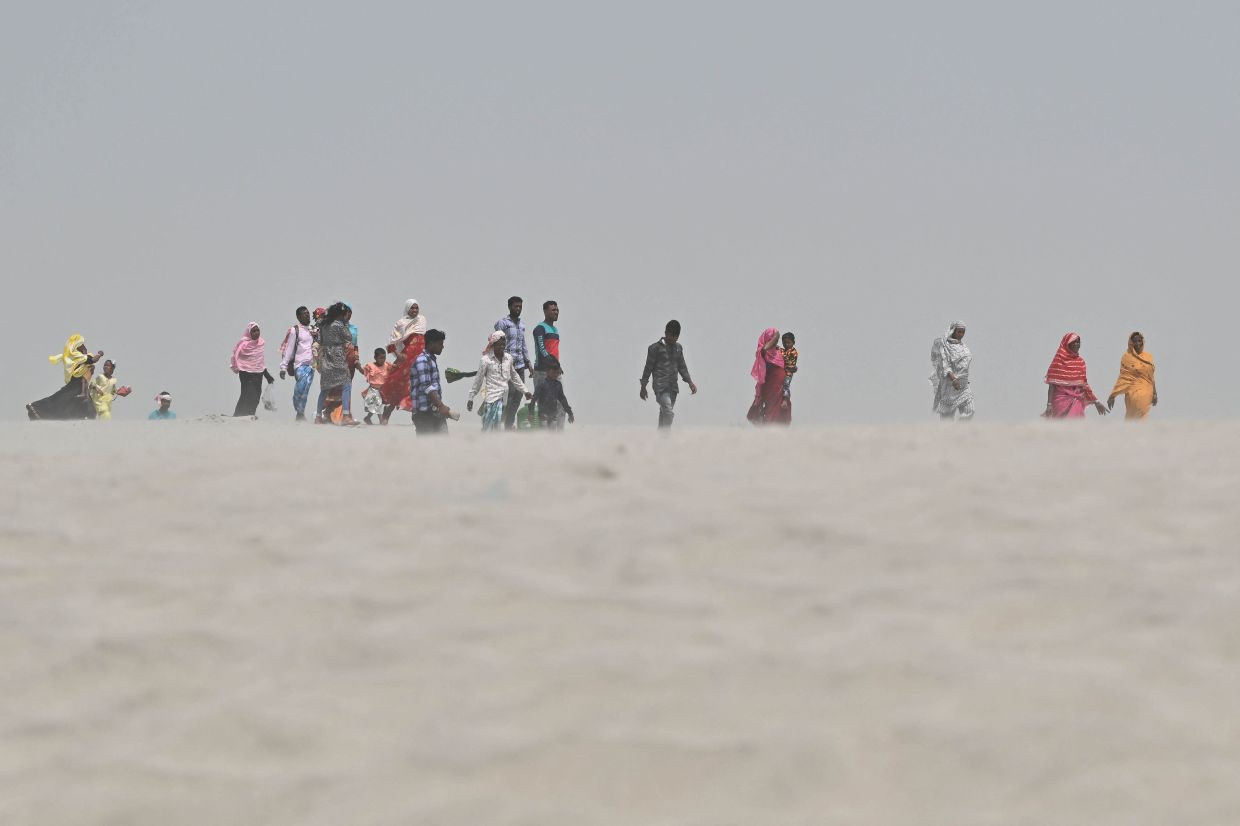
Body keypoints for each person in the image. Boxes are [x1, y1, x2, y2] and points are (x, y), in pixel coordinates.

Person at [27, 335, 102, 420]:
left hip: (79, 385)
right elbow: (93, 360)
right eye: (82, 345)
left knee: (69, 401)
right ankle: (35, 408)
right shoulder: (78, 356)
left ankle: (83, 418)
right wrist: (99, 354)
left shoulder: (77, 357)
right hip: (76, 384)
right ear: (77, 346)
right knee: (58, 399)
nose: (84, 347)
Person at [468, 331, 532, 431]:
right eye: (499, 344)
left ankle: (493, 441)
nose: (502, 346)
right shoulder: (485, 360)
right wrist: (471, 397)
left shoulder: (508, 358)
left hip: (504, 399)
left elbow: (514, 376)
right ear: (493, 345)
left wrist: (525, 391)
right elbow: (478, 380)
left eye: (504, 344)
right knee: (491, 424)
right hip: (491, 398)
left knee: (495, 424)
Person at [640, 319, 698, 428]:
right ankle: (665, 436)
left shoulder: (678, 348)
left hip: (673, 388)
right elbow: (648, 368)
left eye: (677, 337)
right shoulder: (654, 349)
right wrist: (643, 386)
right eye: (673, 336)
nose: (675, 339)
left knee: (664, 415)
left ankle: (662, 440)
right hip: (660, 387)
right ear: (667, 333)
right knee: (668, 413)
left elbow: (682, 367)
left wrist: (690, 382)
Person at [382, 299, 427, 422]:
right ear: (407, 309)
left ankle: (418, 418)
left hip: (421, 357)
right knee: (400, 386)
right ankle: (388, 411)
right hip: (407, 358)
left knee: (420, 386)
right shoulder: (401, 323)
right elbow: (391, 342)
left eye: (416, 308)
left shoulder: (422, 320)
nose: (415, 310)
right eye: (412, 308)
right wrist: (397, 354)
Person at [1044, 332, 1108, 418]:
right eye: (1074, 342)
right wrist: (1049, 405)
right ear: (1067, 344)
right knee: (1060, 428)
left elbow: (1084, 385)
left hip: (1076, 401)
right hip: (1059, 401)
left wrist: (1096, 402)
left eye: (1078, 342)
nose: (1077, 344)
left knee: (1075, 426)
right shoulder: (1058, 361)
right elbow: (1052, 385)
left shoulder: (1080, 362)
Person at [317, 302, 359, 425]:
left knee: (325, 388)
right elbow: (349, 337)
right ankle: (346, 415)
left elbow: (320, 340)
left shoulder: (323, 325)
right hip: (337, 356)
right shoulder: (339, 325)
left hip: (325, 357)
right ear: (341, 314)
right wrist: (345, 324)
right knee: (346, 384)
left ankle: (318, 416)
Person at [494, 296, 532, 430]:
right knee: (508, 395)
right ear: (509, 307)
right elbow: (496, 342)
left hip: (520, 365)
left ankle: (509, 424)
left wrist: (528, 362)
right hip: (507, 364)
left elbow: (523, 345)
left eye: (520, 306)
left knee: (519, 394)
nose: (518, 309)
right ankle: (498, 423)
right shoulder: (503, 323)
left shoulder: (522, 325)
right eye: (516, 306)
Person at [410, 329, 453, 435]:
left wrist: (439, 407)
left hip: (435, 412)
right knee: (426, 447)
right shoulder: (422, 360)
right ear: (431, 343)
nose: (442, 346)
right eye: (440, 344)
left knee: (442, 445)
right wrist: (441, 406)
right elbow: (427, 386)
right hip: (424, 413)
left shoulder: (431, 359)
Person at [1107, 331, 1158, 419]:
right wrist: (1113, 395)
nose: (1137, 343)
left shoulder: (1148, 356)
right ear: (1131, 343)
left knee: (1143, 414)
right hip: (1132, 393)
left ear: (1143, 341)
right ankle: (1130, 431)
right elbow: (1123, 377)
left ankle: (1142, 431)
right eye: (1135, 341)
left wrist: (1155, 393)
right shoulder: (1127, 357)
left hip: (1147, 391)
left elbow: (1151, 377)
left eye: (1139, 341)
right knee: (1132, 416)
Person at [929, 321, 974, 420]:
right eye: (959, 332)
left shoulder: (963, 346)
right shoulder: (944, 346)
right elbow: (945, 365)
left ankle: (962, 431)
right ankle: (948, 433)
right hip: (950, 383)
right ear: (953, 331)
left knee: (969, 410)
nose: (961, 335)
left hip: (964, 384)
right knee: (947, 415)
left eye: (963, 332)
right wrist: (953, 379)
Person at [279, 306, 315, 421]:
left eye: (308, 313)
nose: (307, 315)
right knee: (299, 389)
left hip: (311, 366)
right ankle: (297, 407)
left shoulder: (313, 329)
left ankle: (300, 413)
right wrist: (283, 367)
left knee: (305, 391)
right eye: (304, 314)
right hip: (299, 366)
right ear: (298, 316)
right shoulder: (295, 330)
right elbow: (289, 349)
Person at [231, 322, 275, 417]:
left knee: (257, 395)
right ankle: (238, 415)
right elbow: (235, 355)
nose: (256, 333)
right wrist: (236, 366)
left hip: (258, 374)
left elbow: (260, 362)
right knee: (247, 394)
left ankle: (250, 414)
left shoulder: (260, 344)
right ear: (249, 333)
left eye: (257, 330)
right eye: (253, 331)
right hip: (245, 373)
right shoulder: (244, 344)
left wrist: (267, 376)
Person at [746, 327, 789, 425]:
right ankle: (766, 428)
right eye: (772, 339)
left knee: (778, 409)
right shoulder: (763, 351)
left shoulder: (779, 351)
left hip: (779, 385)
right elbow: (766, 347)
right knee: (766, 408)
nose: (775, 342)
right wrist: (776, 335)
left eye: (777, 340)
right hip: (768, 384)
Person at [531, 300, 563, 425]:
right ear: (545, 311)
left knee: (560, 404)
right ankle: (543, 437)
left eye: (557, 309)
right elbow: (542, 351)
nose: (556, 312)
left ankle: (559, 435)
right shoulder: (539, 329)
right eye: (553, 310)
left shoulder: (555, 330)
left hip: (555, 372)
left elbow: (553, 351)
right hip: (542, 372)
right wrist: (555, 364)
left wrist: (558, 366)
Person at [530, 363, 574, 429]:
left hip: (553, 414)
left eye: (557, 373)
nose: (555, 374)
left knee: (552, 434)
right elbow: (534, 399)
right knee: (544, 432)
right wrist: (531, 413)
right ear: (547, 372)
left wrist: (570, 413)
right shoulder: (541, 384)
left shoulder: (558, 385)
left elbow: (563, 400)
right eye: (553, 372)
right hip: (543, 414)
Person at [361, 348, 392, 425]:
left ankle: (367, 418)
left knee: (376, 406)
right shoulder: (370, 366)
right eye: (380, 358)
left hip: (383, 390)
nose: (382, 360)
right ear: (375, 357)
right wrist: (360, 367)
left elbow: (393, 370)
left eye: (384, 357)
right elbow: (364, 372)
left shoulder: (387, 365)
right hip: (373, 390)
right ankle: (381, 421)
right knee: (377, 405)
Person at [781, 332, 799, 413]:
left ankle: (785, 400)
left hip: (788, 372)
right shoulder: (784, 350)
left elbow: (786, 358)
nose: (786, 344)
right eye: (784, 343)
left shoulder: (793, 352)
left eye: (788, 342)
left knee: (786, 385)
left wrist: (780, 353)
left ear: (793, 343)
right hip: (784, 371)